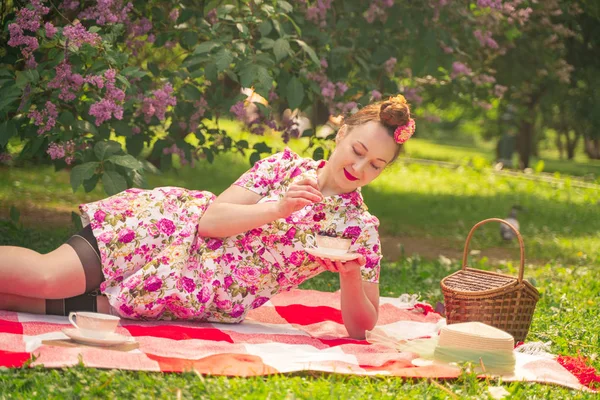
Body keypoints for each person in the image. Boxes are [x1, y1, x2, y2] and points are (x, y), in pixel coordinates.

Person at [0, 95, 415, 339]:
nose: (360, 169)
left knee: (44, 304)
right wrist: (280, 207)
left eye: (376, 165)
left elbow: (363, 327)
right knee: (46, 277)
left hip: (192, 293)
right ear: (341, 134)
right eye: (358, 151)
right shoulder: (283, 169)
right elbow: (210, 221)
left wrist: (349, 276)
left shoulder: (359, 230)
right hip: (166, 235)